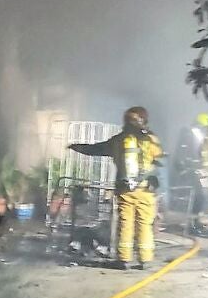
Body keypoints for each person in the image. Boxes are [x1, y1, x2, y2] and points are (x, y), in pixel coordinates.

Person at [69, 106, 163, 269]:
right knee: (144, 225)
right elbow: (161, 160)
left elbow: (96, 149)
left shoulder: (119, 140)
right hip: (146, 190)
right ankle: (145, 260)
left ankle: (124, 259)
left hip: (125, 190)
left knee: (125, 224)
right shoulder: (152, 140)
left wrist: (76, 146)